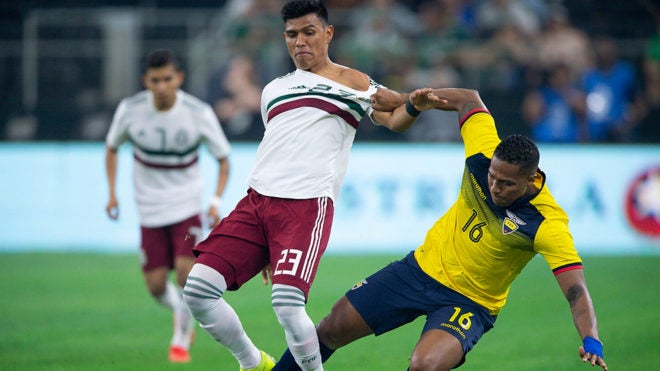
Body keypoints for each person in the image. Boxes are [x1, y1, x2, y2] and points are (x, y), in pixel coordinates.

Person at [180, 1, 440, 370]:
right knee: (198, 291)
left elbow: (394, 117)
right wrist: (269, 241)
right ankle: (253, 363)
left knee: (287, 305)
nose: (299, 41)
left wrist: (413, 106)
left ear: (328, 34)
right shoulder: (273, 90)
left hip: (305, 207)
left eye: (308, 32)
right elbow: (280, 147)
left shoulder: (352, 82)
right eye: (291, 35)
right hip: (256, 203)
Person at [272, 88, 608, 371]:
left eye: (506, 183)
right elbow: (469, 99)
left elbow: (576, 290)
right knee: (330, 328)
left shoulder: (546, 223)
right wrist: (413, 101)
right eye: (492, 176)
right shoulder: (482, 151)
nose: (494, 187)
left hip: (470, 303)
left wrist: (590, 338)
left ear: (531, 179)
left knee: (424, 366)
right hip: (418, 270)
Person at [104, 49, 231, 363]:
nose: (162, 86)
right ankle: (180, 311)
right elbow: (111, 148)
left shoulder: (198, 112)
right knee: (156, 285)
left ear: (179, 79)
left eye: (167, 79)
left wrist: (214, 202)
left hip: (187, 206)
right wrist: (112, 194)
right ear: (145, 81)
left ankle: (180, 338)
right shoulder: (130, 110)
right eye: (155, 80)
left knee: (186, 275)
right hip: (149, 209)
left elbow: (223, 160)